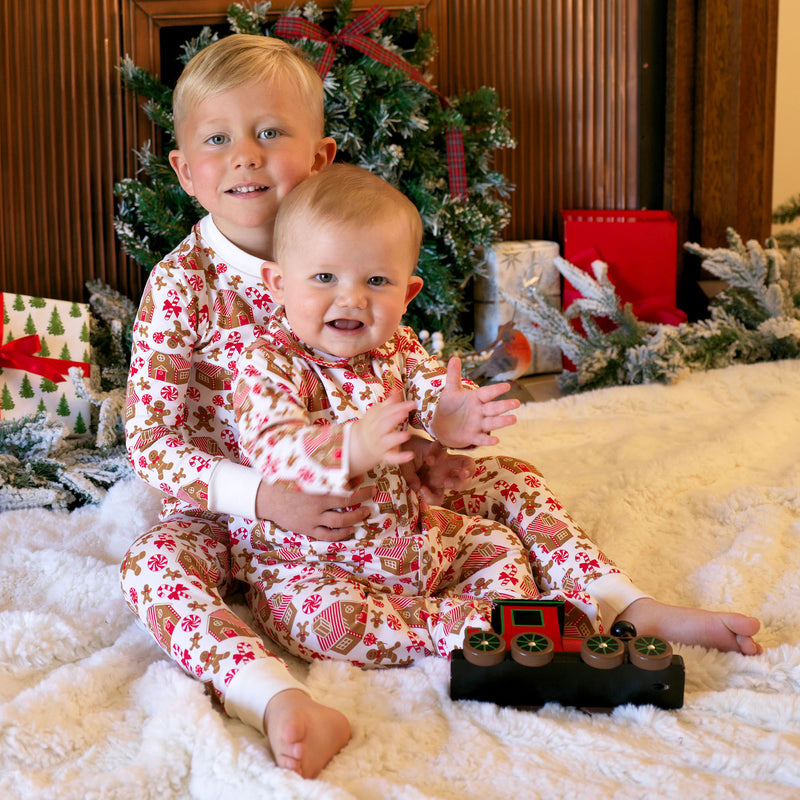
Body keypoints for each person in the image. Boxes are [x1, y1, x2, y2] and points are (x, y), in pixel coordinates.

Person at [121, 30, 761, 782]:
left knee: (511, 477)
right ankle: (272, 696)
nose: (245, 156)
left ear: (321, 157)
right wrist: (262, 497)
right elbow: (153, 445)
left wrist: (436, 439)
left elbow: (407, 377)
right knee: (150, 567)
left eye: (270, 133)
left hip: (381, 494)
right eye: (219, 139)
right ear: (186, 171)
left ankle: (619, 602)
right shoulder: (183, 285)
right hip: (234, 504)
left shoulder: (357, 248)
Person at [231, 163, 764, 667]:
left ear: (408, 293)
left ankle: (614, 601)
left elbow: (432, 391)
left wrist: (448, 422)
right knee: (320, 622)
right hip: (311, 564)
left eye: (375, 282)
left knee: (503, 532)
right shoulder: (265, 359)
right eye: (324, 276)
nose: (350, 299)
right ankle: (494, 633)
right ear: (279, 283)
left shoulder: (396, 345)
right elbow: (273, 446)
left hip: (414, 541)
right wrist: (353, 445)